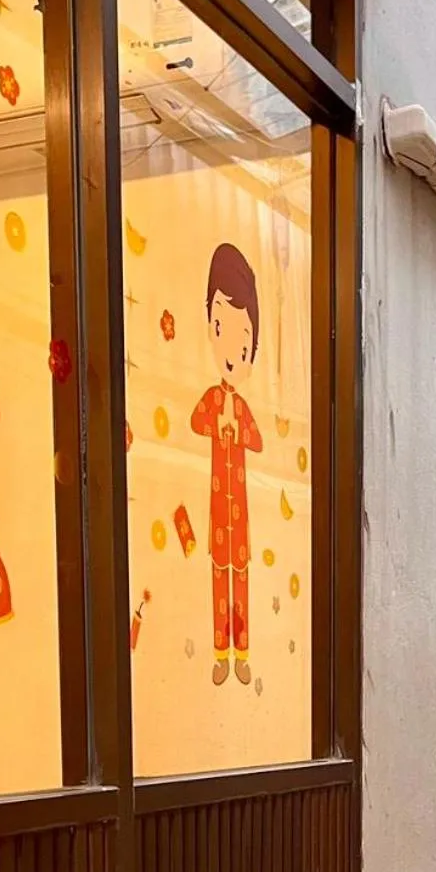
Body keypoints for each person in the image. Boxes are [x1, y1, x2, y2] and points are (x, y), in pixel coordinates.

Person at [191, 242, 263, 686]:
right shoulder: (213, 400)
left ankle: (243, 652)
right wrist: (218, 424)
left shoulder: (242, 407)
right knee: (221, 588)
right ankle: (222, 653)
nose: (233, 349)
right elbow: (194, 421)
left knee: (242, 590)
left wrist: (235, 427)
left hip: (241, 524)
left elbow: (256, 439)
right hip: (220, 517)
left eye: (243, 338)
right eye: (222, 329)